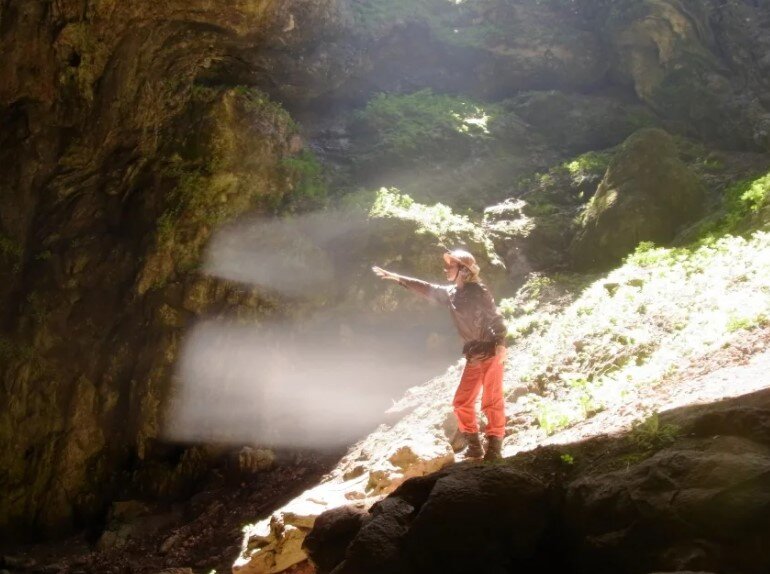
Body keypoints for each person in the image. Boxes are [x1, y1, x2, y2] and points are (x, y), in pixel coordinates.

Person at [372, 249, 507, 461]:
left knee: (492, 400)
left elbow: (495, 315)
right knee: (461, 402)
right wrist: (398, 278)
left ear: (463, 270)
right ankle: (475, 446)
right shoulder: (452, 293)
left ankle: (495, 448)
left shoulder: (478, 291)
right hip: (473, 354)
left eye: (450, 266)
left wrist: (500, 342)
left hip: (489, 350)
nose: (446, 269)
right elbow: (427, 288)